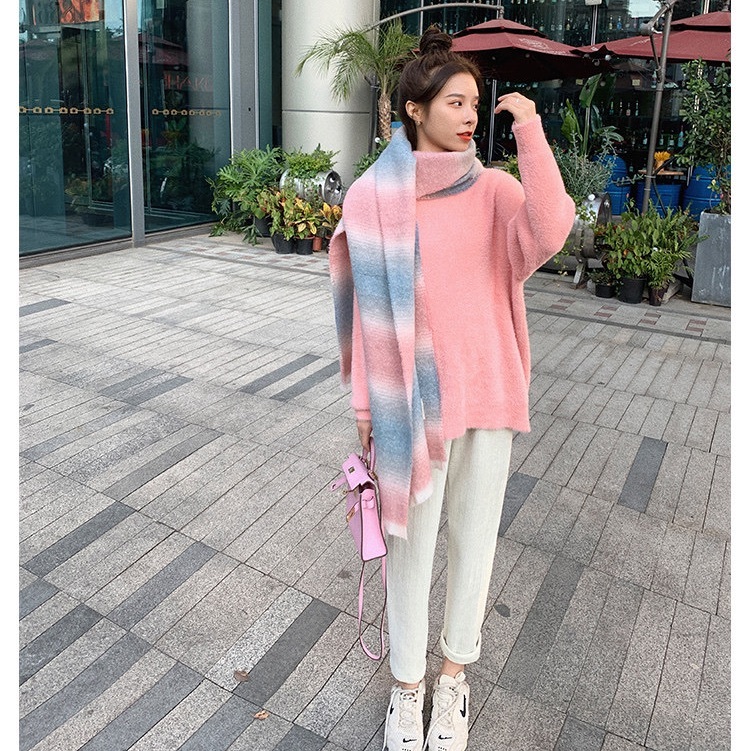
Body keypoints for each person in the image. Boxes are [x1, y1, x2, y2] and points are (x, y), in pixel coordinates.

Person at [328, 26, 575, 751]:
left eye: (475, 102)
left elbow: (551, 229)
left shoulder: (495, 191)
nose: (470, 115)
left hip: (488, 393)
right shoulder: (374, 199)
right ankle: (408, 688)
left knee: (473, 545)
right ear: (415, 109)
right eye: (455, 102)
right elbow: (363, 316)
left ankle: (454, 676)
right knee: (410, 549)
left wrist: (529, 128)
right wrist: (367, 407)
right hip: (411, 406)